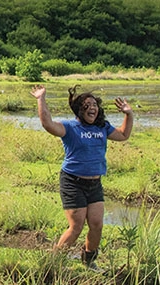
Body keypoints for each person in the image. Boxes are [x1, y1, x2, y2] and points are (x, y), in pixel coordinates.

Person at [30, 84, 133, 271]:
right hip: (72, 182)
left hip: (95, 183)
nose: (92, 108)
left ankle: (88, 261)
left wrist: (128, 114)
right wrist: (41, 99)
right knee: (76, 226)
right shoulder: (70, 127)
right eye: (87, 105)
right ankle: (53, 262)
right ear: (79, 109)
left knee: (96, 224)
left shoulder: (103, 127)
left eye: (94, 104)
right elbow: (48, 124)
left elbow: (124, 135)